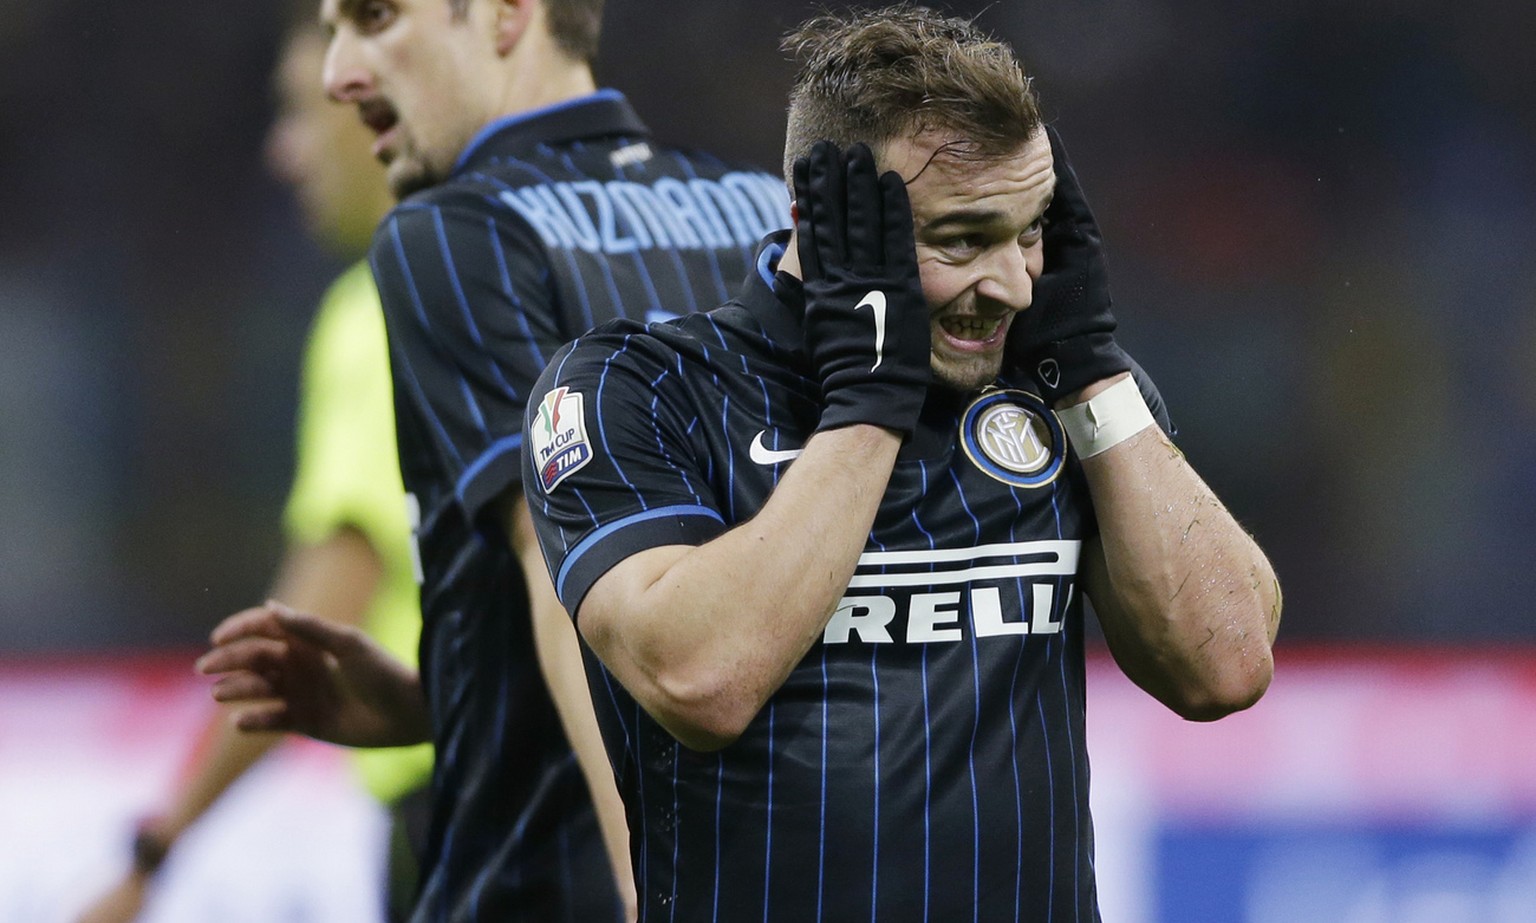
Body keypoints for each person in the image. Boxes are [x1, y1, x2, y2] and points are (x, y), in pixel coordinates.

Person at [519, 5, 1282, 920]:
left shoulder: (1054, 395)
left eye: (1031, 229)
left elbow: (1227, 664)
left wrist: (1094, 373)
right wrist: (868, 410)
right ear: (826, 218)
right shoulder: (634, 391)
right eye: (962, 238)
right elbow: (699, 678)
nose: (1012, 285)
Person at [195, 0, 788, 920]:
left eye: (377, 18)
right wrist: (444, 703)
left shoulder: (450, 234)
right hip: (785, 856)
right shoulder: (759, 213)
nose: (338, 72)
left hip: (545, 881)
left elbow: (558, 567)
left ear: (510, 15)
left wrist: (654, 890)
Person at [75, 14, 433, 923]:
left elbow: (310, 624)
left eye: (298, 113)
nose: (285, 152)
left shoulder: (382, 310)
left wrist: (157, 851)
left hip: (453, 806)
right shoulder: (527, 272)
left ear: (371, 112)